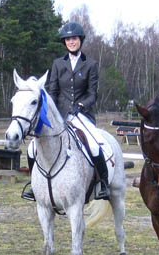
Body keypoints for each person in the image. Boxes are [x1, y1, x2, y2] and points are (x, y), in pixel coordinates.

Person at [22, 21, 109, 201]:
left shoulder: (90, 64)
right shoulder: (58, 64)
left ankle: (103, 184)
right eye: (68, 39)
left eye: (74, 39)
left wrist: (82, 105)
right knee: (32, 147)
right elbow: (53, 91)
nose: (71, 42)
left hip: (82, 115)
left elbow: (92, 94)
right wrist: (50, 112)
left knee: (94, 144)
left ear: (80, 40)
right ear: (65, 42)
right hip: (60, 116)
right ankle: (33, 185)